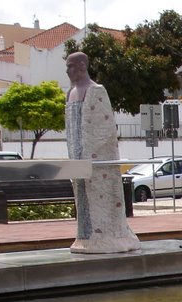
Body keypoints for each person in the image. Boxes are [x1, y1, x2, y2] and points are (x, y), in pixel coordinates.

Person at [65, 51, 140, 253]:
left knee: (100, 200)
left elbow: (105, 128)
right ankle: (86, 237)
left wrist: (89, 155)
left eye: (70, 66)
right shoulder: (70, 93)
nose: (67, 71)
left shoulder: (96, 91)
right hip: (78, 161)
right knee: (82, 200)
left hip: (97, 163)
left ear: (82, 66)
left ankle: (106, 237)